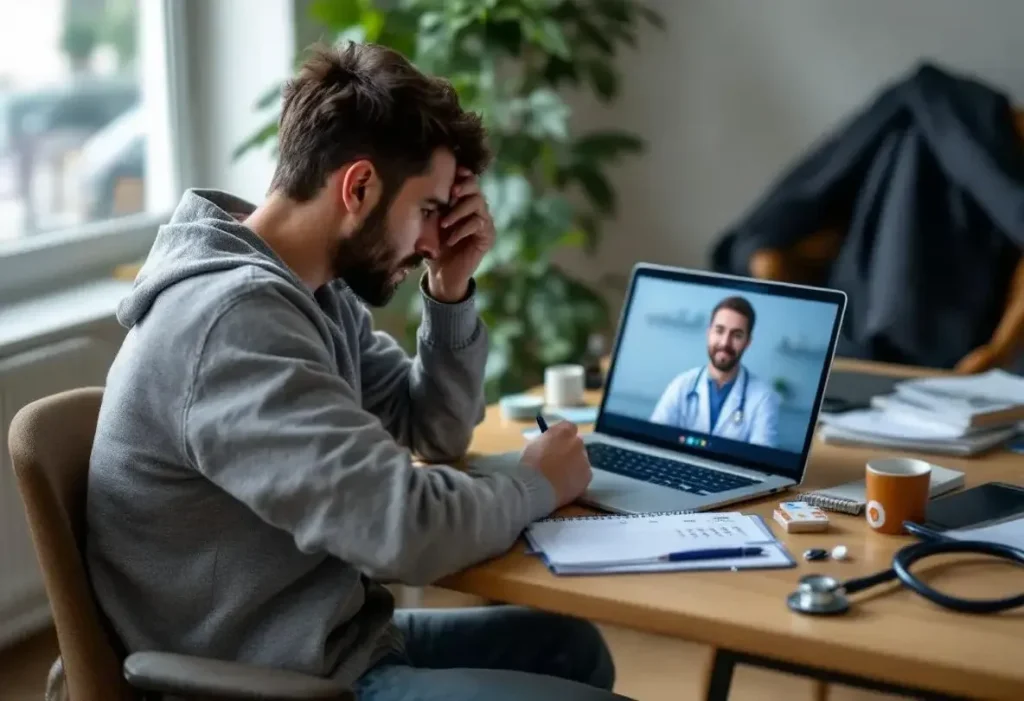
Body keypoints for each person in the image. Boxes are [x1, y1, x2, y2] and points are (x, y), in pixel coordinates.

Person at [85, 42, 626, 701]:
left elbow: (433, 431)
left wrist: (450, 288)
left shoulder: (312, 291)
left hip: (333, 641)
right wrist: (536, 483)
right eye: (428, 210)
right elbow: (406, 529)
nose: (432, 239)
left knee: (568, 647)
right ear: (359, 186)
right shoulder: (232, 323)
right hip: (267, 684)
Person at [650, 295, 780, 447]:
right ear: (709, 333)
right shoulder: (681, 385)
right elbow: (653, 439)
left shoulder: (764, 398)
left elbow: (761, 456)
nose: (725, 343)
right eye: (719, 331)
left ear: (747, 342)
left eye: (737, 335)